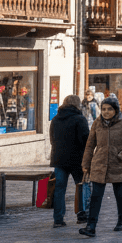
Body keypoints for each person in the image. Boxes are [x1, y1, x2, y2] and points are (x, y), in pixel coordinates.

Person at [79, 97, 122, 237]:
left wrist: (121, 156)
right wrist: (86, 164)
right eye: (103, 109)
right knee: (96, 196)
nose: (106, 112)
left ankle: (121, 220)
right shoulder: (97, 123)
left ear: (115, 110)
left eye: (109, 109)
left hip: (118, 164)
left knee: (119, 194)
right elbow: (90, 145)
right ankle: (91, 226)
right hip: (99, 164)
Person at [49, 94, 89, 228]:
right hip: (77, 159)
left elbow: (52, 139)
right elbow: (85, 140)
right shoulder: (79, 119)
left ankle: (58, 219)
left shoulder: (55, 119)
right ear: (77, 104)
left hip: (59, 158)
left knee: (60, 189)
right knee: (81, 186)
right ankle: (81, 215)